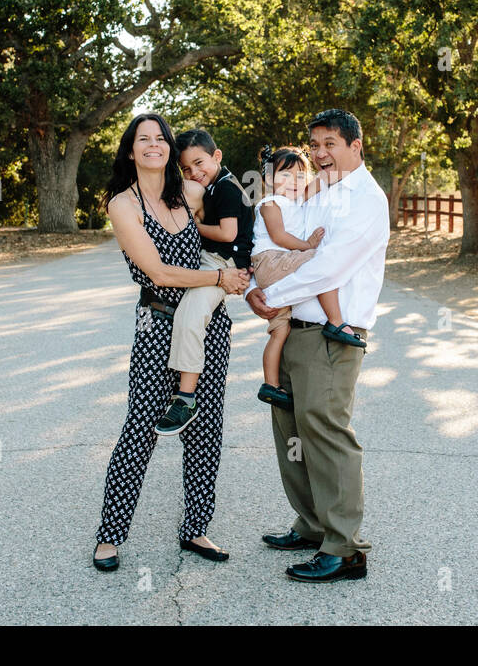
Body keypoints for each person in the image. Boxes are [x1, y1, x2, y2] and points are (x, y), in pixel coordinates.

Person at [92, 113, 249, 572]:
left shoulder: (191, 194)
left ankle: (196, 529)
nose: (154, 145)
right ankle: (109, 536)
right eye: (144, 139)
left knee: (205, 429)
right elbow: (158, 273)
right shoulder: (123, 205)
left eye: (161, 138)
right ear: (130, 150)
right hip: (157, 323)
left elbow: (232, 198)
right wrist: (220, 275)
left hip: (207, 327)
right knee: (140, 429)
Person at [245, 109, 390, 583]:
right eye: (315, 145)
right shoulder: (314, 192)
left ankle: (345, 548)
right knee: (291, 432)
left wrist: (271, 298)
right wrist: (253, 291)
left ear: (356, 146)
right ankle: (311, 525)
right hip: (292, 329)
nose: (321, 153)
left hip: (331, 335)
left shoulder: (366, 199)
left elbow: (328, 269)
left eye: (330, 143)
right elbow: (275, 246)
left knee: (326, 434)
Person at [249, 144, 365, 412]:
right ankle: (336, 321)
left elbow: (322, 180)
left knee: (279, 331)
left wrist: (338, 158)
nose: (294, 182)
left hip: (277, 266)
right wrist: (308, 246)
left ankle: (270, 385)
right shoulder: (270, 203)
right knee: (320, 261)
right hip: (271, 261)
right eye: (285, 175)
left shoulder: (296, 199)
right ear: (268, 179)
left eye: (300, 176)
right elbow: (278, 236)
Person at [156, 129, 255, 437]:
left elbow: (227, 234)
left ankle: (185, 398)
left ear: (217, 156)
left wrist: (193, 226)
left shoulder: (227, 188)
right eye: (186, 169)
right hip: (215, 261)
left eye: (199, 163)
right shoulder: (214, 185)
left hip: (222, 263)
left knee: (189, 316)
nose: (194, 173)